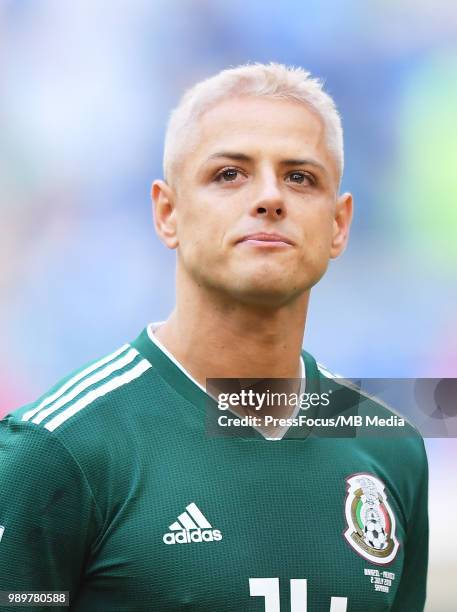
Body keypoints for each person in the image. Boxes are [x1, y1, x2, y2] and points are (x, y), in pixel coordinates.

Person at [0, 63, 428, 611]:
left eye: (300, 177)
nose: (270, 198)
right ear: (167, 212)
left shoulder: (389, 448)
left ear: (339, 224)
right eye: (230, 174)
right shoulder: (60, 450)